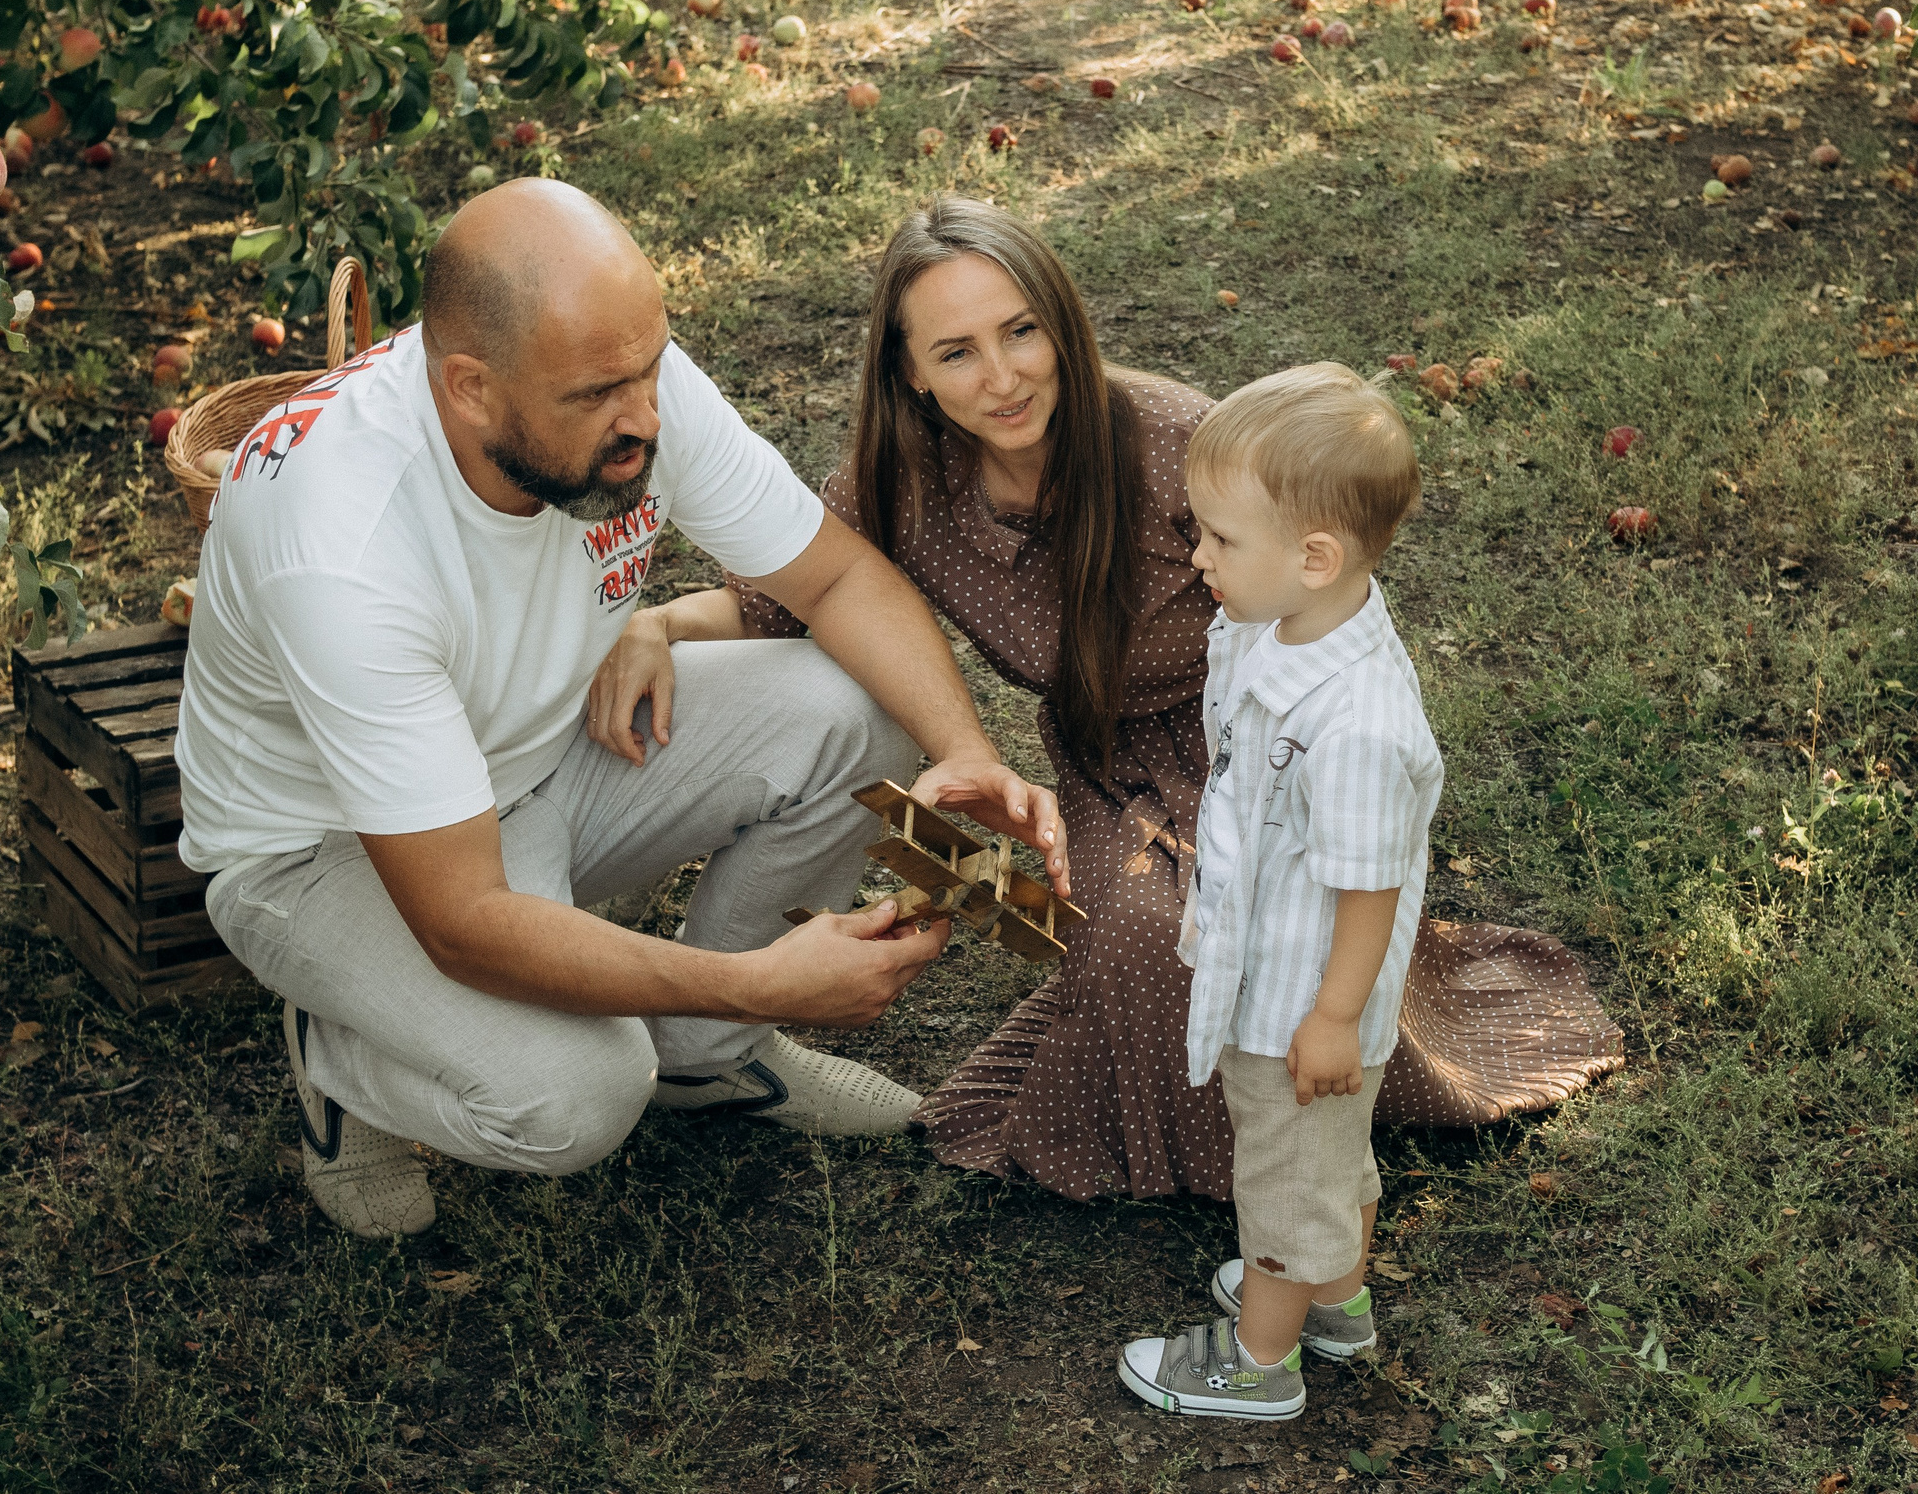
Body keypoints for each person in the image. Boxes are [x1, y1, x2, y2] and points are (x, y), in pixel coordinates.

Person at [651, 199, 1623, 1204]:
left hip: (1254, 736)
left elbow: (1318, 586)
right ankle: (1199, 1146)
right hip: (1107, 762)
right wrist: (658, 627)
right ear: (909, 371)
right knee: (1147, 939)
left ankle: (1307, 1115)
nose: (1002, 376)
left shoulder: (1173, 442)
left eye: (1021, 331)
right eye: (956, 352)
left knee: (1234, 940)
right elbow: (778, 594)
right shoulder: (901, 478)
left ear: (1060, 323)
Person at [174, 179, 1065, 1240]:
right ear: (468, 388)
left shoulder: (610, 370)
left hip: (539, 755)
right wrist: (753, 981)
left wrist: (965, 751)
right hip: (331, 852)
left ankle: (709, 1066)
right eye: (601, 393)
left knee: (852, 705)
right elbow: (463, 921)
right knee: (578, 1102)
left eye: (649, 370)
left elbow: (834, 583)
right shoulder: (343, 547)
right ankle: (346, 1056)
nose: (643, 419)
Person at [1115, 363, 1437, 1420]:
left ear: (1314, 557)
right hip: (1282, 970)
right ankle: (1335, 1307)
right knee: (1325, 1161)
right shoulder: (1284, 622)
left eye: (1217, 539)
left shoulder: (1357, 728)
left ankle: (1258, 1362)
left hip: (1304, 995)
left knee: (1287, 1177)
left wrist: (1335, 1016)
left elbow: (1367, 886)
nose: (1196, 554)